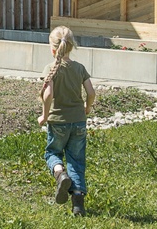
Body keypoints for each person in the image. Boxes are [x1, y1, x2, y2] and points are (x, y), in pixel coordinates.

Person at [38, 26, 95, 216]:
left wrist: (45, 116)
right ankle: (78, 201)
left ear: (53, 49)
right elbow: (91, 93)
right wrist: (87, 108)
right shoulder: (79, 68)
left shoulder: (50, 69)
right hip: (78, 122)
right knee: (77, 161)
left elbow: (48, 95)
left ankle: (60, 174)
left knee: (52, 153)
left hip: (58, 122)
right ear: (72, 46)